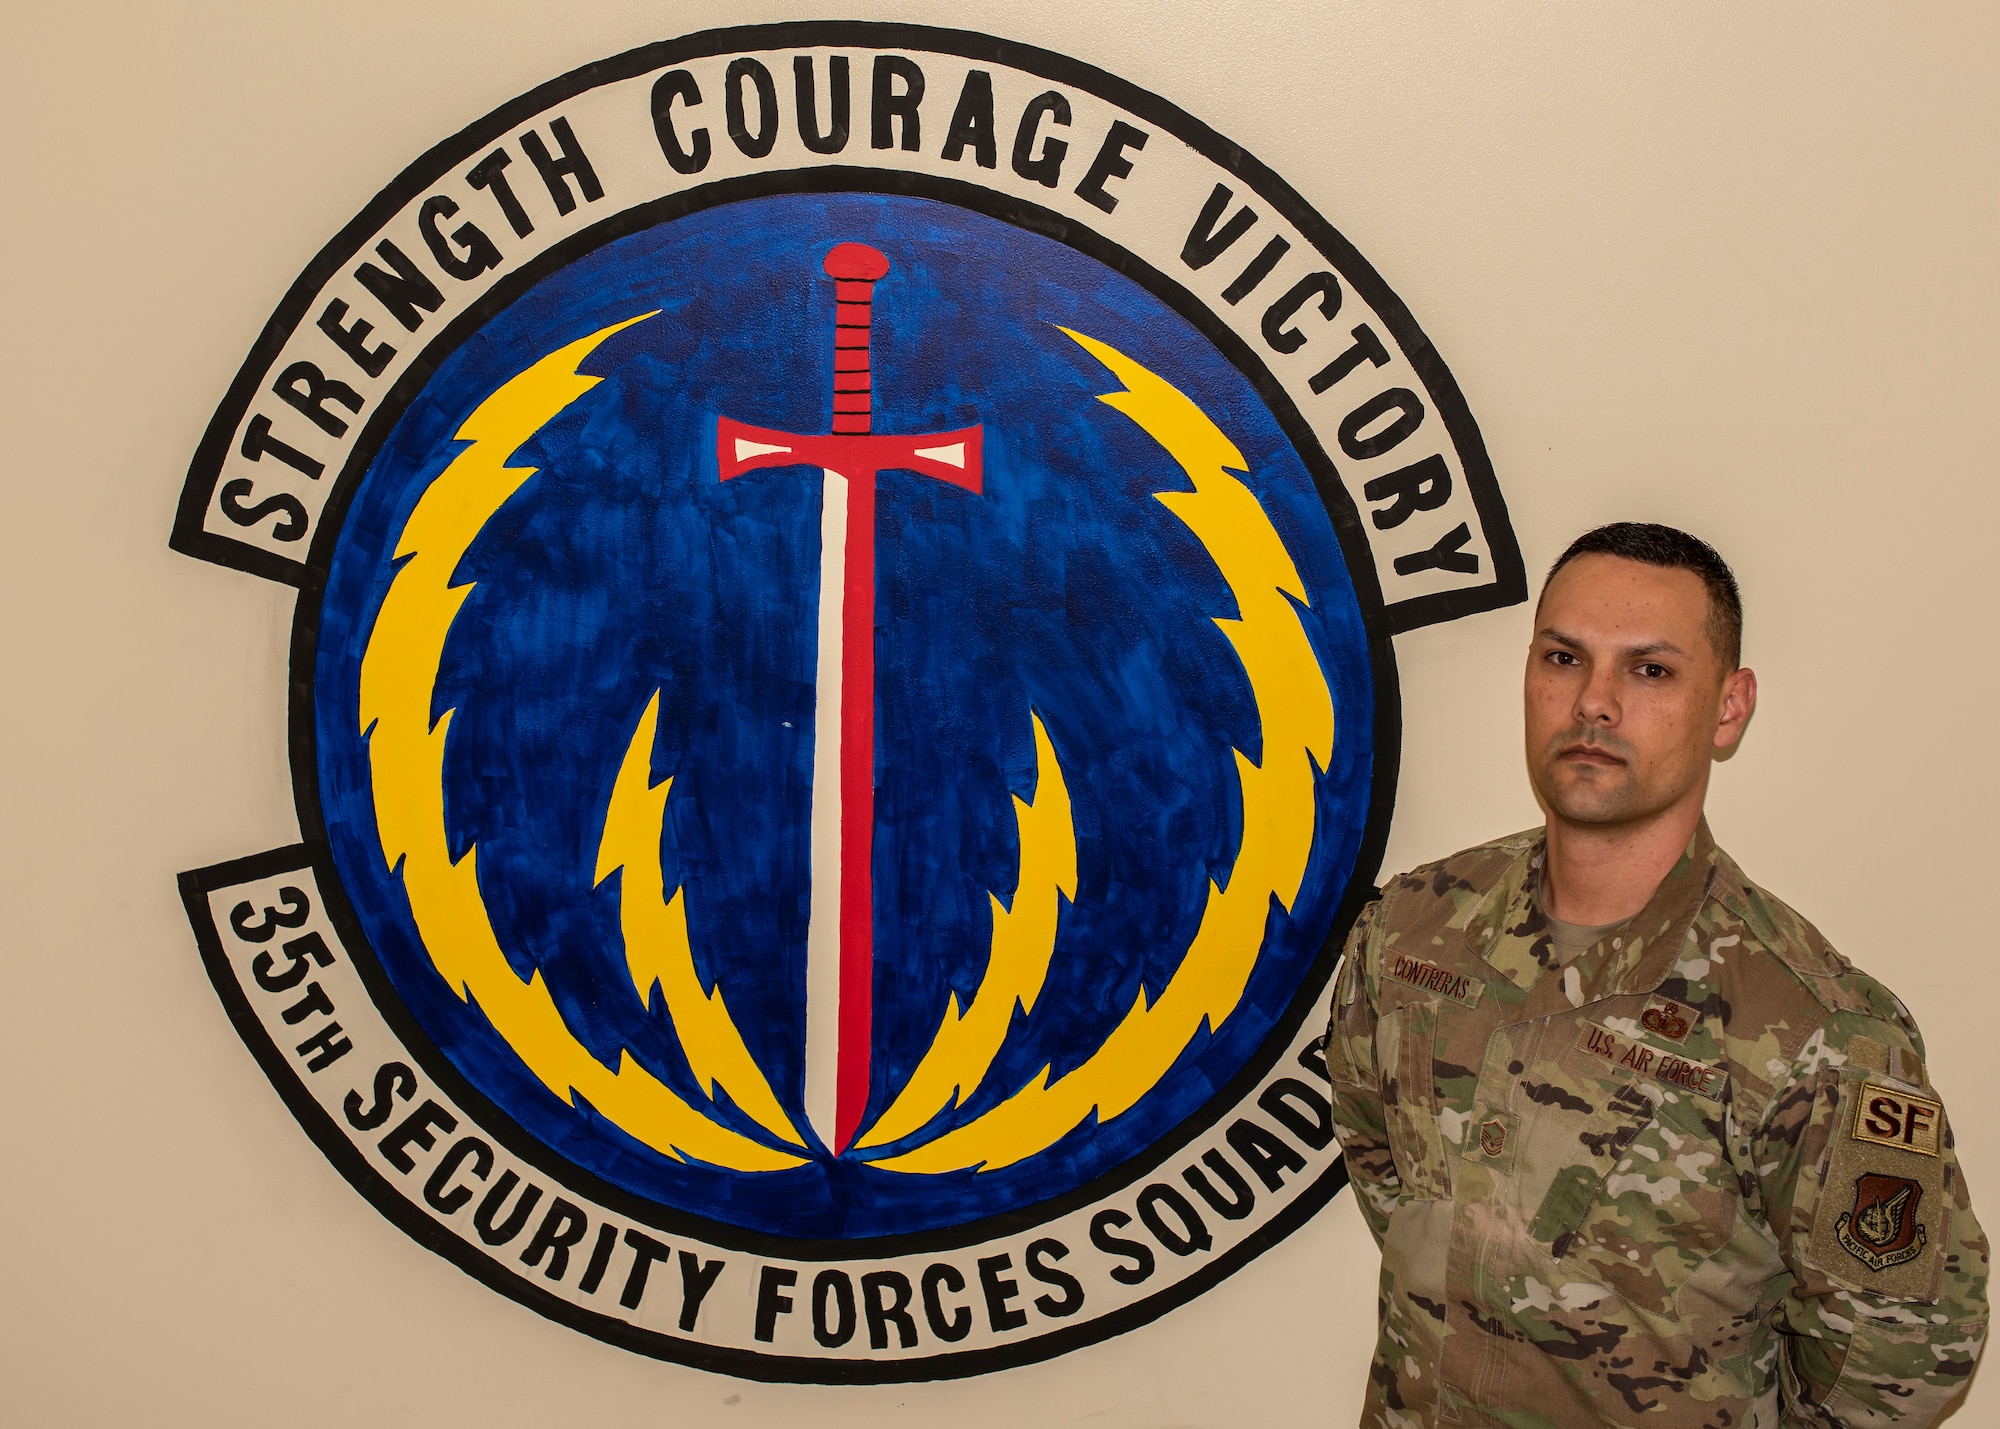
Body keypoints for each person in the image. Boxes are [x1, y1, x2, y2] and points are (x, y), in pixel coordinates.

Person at [1324, 523, 1988, 1427]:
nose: (1593, 703)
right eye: (1564, 657)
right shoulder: (1413, 928)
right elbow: (1381, 1162)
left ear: (1728, 707)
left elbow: (1905, 1352)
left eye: (1650, 670)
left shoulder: (1816, 1028)